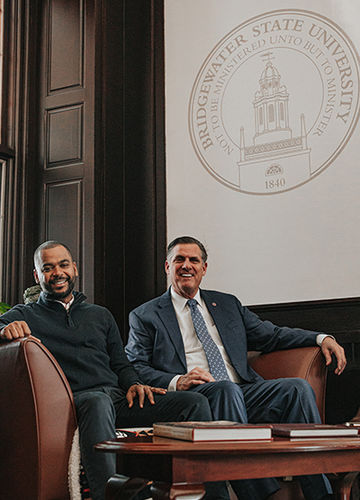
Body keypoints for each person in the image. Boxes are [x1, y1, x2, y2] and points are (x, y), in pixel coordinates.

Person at [126, 236, 347, 500]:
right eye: (179, 260)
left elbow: (272, 335)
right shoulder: (146, 315)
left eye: (194, 260)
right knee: (225, 390)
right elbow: (136, 365)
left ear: (204, 268)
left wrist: (320, 338)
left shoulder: (227, 304)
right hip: (198, 396)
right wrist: (177, 380)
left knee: (297, 389)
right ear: (167, 266)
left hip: (244, 391)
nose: (187, 266)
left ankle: (321, 494)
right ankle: (258, 494)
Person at [0, 241, 214, 500]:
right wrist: (4, 330)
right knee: (97, 400)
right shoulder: (26, 314)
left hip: (117, 399)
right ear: (37, 276)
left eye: (63, 264)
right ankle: (111, 496)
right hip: (73, 402)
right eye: (48, 268)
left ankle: (200, 494)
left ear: (75, 269)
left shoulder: (100, 315)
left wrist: (135, 383)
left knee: (194, 402)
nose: (57, 272)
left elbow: (120, 363)